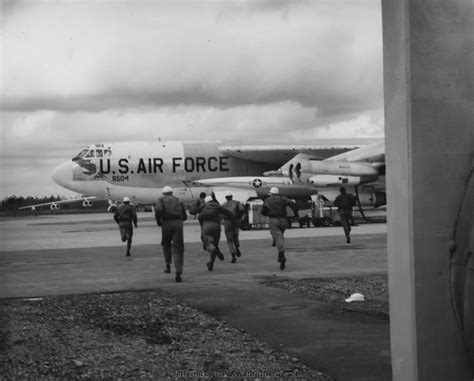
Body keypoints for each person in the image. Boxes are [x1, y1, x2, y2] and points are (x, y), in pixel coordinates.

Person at [154, 186, 187, 282]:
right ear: (172, 192)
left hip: (167, 223)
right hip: (178, 224)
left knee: (166, 244)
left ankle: (168, 264)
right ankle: (178, 272)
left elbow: (158, 210)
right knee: (178, 248)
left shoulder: (161, 199)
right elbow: (184, 217)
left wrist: (159, 221)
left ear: (163, 193)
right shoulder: (178, 200)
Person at [261, 187, 298, 270]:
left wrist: (269, 214)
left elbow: (263, 212)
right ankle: (280, 254)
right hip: (283, 220)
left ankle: (281, 254)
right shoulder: (283, 199)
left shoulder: (268, 200)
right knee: (280, 236)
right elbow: (293, 204)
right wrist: (296, 214)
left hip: (274, 220)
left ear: (270, 193)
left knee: (278, 237)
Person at [198, 195, 237, 271]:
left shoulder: (203, 207)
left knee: (209, 245)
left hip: (206, 226)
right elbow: (228, 212)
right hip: (216, 226)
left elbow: (193, 212)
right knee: (215, 245)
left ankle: (213, 250)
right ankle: (211, 263)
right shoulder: (217, 206)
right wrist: (234, 222)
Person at [221, 191, 246, 263]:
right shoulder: (237, 202)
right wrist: (238, 216)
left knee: (230, 239)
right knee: (235, 235)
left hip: (227, 222)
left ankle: (233, 255)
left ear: (226, 197)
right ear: (232, 197)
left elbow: (220, 214)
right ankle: (237, 247)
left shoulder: (223, 205)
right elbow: (242, 209)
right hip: (235, 221)